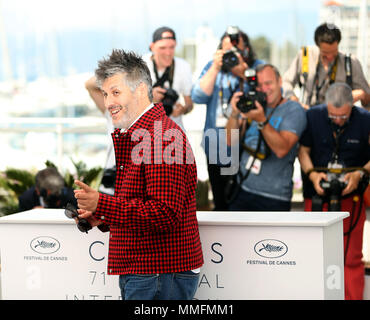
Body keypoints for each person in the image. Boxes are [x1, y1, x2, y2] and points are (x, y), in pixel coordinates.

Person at [73, 49, 204, 300]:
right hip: (151, 271)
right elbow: (142, 204)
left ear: (141, 90)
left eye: (116, 92)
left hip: (158, 272)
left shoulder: (162, 137)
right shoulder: (147, 134)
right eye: (105, 94)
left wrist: (102, 204)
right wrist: (103, 216)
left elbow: (164, 214)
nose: (109, 102)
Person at [298, 82, 370, 300]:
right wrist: (311, 174)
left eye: (343, 116)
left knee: (350, 257)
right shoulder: (313, 116)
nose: (338, 120)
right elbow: (302, 151)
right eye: (333, 115)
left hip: (352, 196)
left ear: (352, 107)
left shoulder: (365, 119)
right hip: (318, 194)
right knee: (315, 255)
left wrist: (359, 173)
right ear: (326, 106)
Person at [191, 26, 264, 211]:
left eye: (236, 51)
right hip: (217, 144)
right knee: (221, 202)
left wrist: (244, 73)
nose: (232, 56)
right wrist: (216, 66)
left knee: (246, 201)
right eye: (227, 52)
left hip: (249, 144)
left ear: (246, 49)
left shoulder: (257, 67)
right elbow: (198, 96)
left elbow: (268, 97)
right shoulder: (213, 68)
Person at [225, 64, 307, 211]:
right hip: (243, 188)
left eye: (268, 83)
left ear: (280, 81)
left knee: (270, 236)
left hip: (274, 197)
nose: (264, 89)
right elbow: (230, 141)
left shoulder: (293, 110)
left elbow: (282, 149)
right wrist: (235, 113)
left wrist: (261, 120)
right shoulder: (254, 104)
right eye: (259, 85)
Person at [282, 23, 370, 110]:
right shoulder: (305, 56)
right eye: (325, 53)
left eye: (334, 51)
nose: (330, 57)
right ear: (318, 46)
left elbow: (367, 100)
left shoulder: (350, 63)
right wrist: (293, 100)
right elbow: (286, 82)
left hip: (339, 119)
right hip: (308, 115)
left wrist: (361, 94)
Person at [143, 26, 193, 130]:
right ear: (152, 47)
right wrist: (150, 98)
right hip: (146, 132)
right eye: (162, 48)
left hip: (174, 131)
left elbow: (189, 104)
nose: (168, 53)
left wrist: (183, 109)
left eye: (172, 47)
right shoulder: (140, 65)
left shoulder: (183, 66)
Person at [85, 76, 116, 195]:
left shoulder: (146, 117)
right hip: (110, 181)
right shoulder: (113, 113)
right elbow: (89, 85)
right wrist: (119, 74)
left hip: (133, 188)